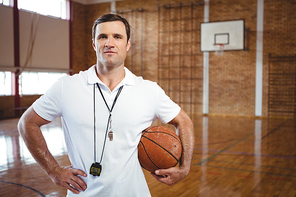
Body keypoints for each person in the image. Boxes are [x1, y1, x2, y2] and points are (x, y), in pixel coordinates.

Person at [18, 14, 194, 196]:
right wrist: (53, 170)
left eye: (117, 37)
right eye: (103, 37)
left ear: (127, 45)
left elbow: (184, 121)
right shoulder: (67, 87)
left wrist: (185, 167)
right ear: (94, 44)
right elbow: (27, 123)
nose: (109, 43)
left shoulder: (148, 90)